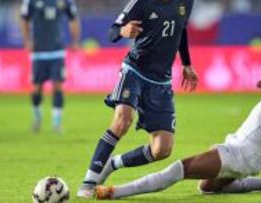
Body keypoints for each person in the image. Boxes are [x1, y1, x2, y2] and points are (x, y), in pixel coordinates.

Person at [95, 45, 261, 200]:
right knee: (206, 188)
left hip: (242, 153)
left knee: (179, 169)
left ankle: (115, 192)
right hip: (246, 153)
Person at [77, 0, 198, 198]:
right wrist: (123, 30)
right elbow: (112, 31)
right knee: (122, 119)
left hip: (161, 81)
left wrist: (187, 63)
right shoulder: (140, 3)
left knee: (162, 149)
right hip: (135, 70)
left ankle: (112, 164)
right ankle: (89, 182)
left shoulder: (186, 2)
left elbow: (181, 27)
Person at [20, 0, 81, 133]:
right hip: (38, 52)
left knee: (58, 86)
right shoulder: (30, 2)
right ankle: (37, 117)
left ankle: (56, 123)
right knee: (37, 88)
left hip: (57, 51)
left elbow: (74, 18)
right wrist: (27, 41)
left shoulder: (65, 2)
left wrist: (75, 40)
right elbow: (24, 19)